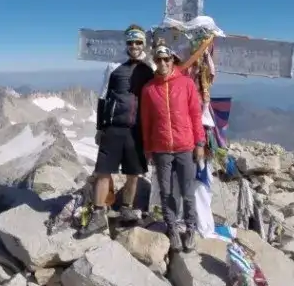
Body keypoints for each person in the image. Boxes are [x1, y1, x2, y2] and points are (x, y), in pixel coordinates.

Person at [83, 24, 155, 237]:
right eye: (131, 42)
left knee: (133, 174)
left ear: (144, 43)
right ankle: (98, 215)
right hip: (113, 127)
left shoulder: (149, 66)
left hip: (137, 129)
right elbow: (103, 96)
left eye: (138, 42)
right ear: (126, 44)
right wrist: (99, 127)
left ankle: (126, 210)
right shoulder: (113, 66)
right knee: (103, 171)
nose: (134, 45)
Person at [140, 41, 206, 253]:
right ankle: (173, 229)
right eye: (158, 59)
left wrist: (200, 143)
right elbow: (146, 121)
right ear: (154, 61)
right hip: (161, 149)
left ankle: (190, 229)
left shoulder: (186, 83)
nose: (162, 63)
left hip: (185, 146)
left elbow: (196, 115)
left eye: (166, 59)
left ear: (172, 60)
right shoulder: (149, 89)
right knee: (166, 192)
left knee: (188, 192)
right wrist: (148, 149)